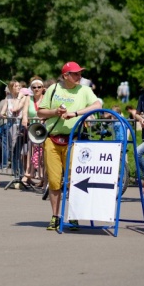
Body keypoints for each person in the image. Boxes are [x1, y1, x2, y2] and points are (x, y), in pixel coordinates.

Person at [37, 61, 101, 231]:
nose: (79, 76)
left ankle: (73, 216)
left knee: (74, 180)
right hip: (52, 139)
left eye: (79, 73)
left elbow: (97, 105)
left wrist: (75, 113)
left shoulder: (85, 90)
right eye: (75, 74)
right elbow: (40, 112)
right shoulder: (54, 89)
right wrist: (55, 112)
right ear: (65, 75)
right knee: (54, 181)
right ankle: (55, 216)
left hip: (74, 140)